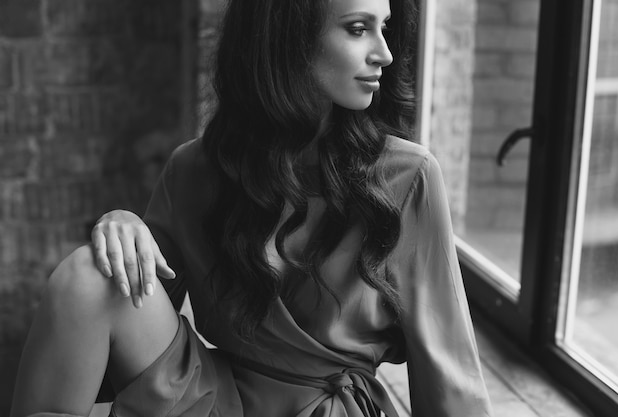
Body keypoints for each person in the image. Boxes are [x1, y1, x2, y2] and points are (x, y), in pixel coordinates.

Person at [11, 0, 493, 415]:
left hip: (328, 409)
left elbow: (450, 379)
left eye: (383, 27)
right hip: (215, 399)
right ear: (290, 38)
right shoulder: (195, 169)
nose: (384, 53)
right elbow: (126, 315)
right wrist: (121, 223)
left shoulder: (408, 178)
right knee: (88, 275)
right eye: (357, 28)